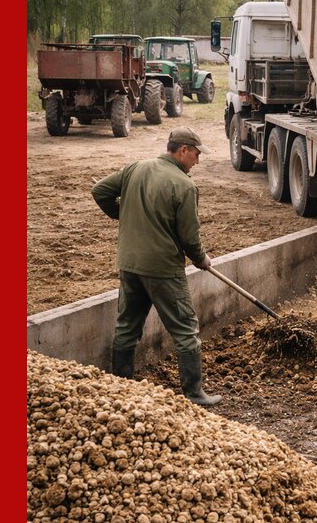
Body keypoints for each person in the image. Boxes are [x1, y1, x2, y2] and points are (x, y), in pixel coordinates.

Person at [91, 126, 222, 408]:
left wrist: (124, 213)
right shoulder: (184, 185)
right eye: (196, 154)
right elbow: (189, 236)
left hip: (130, 264)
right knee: (185, 330)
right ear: (183, 150)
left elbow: (99, 190)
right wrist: (201, 258)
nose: (198, 161)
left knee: (127, 326)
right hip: (163, 269)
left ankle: (121, 387)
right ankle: (194, 393)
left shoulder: (135, 168)